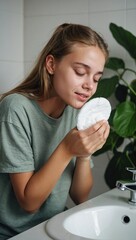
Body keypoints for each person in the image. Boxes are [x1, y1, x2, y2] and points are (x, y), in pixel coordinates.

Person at [0, 23, 110, 239]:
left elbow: (80, 196)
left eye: (96, 78)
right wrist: (68, 148)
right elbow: (28, 203)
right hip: (15, 234)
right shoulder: (15, 109)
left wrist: (85, 155)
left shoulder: (76, 112)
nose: (90, 85)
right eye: (80, 72)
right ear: (51, 64)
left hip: (58, 224)